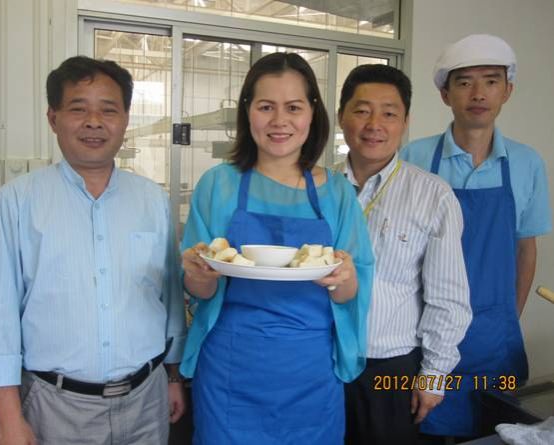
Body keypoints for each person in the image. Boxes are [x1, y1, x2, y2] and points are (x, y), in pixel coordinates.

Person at [0, 56, 187, 445]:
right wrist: (8, 420)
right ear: (53, 118)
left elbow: (168, 300)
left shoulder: (152, 200)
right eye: (78, 109)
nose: (94, 122)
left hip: (146, 398)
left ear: (125, 120)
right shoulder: (16, 202)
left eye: (108, 110)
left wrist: (172, 377)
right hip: (55, 406)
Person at [179, 52, 374, 444]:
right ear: (247, 111)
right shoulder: (218, 184)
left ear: (313, 113)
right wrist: (197, 273)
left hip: (310, 373)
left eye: (294, 107)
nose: (279, 120)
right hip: (231, 371)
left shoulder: (337, 193)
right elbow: (200, 291)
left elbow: (351, 292)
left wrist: (344, 277)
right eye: (266, 106)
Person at [401, 34, 553, 441]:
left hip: (495, 342)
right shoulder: (414, 158)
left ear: (508, 91)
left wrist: (508, 317)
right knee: (420, 432)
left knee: (496, 431)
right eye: (465, 82)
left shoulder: (526, 164)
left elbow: (525, 249)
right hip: (423, 337)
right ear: (445, 94)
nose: (478, 93)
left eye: (490, 81)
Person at [335, 64, 472, 445]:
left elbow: (449, 297)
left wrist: (434, 376)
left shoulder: (433, 195)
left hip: (390, 368)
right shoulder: (318, 188)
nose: (374, 125)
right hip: (321, 361)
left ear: (405, 122)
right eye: (362, 111)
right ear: (341, 116)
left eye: (389, 113)